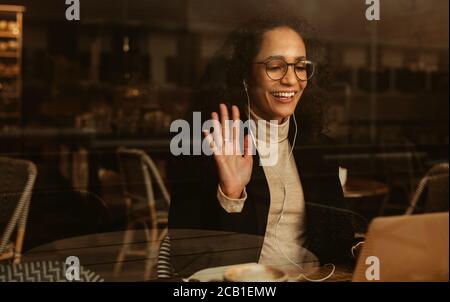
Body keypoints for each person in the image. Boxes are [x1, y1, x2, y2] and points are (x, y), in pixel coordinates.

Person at [167, 12, 363, 278]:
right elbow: (188, 260)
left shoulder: (319, 148)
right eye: (275, 66)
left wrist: (365, 249)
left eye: (300, 66)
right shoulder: (205, 146)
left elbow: (338, 243)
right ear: (245, 75)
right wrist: (231, 196)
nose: (291, 80)